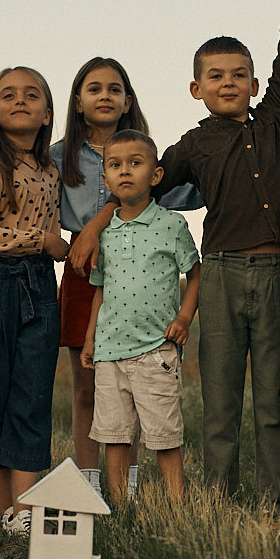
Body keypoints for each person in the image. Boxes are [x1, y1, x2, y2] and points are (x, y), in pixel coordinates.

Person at [71, 0, 280, 503]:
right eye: (215, 77)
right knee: (221, 400)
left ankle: (275, 504)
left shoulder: (278, 116)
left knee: (273, 403)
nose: (228, 83)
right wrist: (93, 228)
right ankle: (222, 504)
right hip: (223, 275)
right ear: (195, 88)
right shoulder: (191, 145)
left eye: (238, 76)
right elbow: (139, 189)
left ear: (255, 83)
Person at [51, 56, 202, 498]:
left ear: (128, 100)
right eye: (94, 89)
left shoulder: (142, 152)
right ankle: (87, 485)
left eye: (114, 89)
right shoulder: (59, 155)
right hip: (87, 271)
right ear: (78, 102)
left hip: (140, 269)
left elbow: (179, 191)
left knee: (135, 389)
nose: (104, 96)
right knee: (89, 387)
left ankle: (129, 490)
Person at [0, 67, 68, 535]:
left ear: (48, 113)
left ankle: (26, 510)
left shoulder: (51, 169)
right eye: (9, 95)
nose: (20, 101)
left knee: (32, 392)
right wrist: (42, 241)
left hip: (40, 286)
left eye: (32, 95)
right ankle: (7, 507)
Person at [80, 132, 200, 501]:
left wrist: (184, 318)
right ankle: (121, 508)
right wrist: (90, 339)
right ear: (106, 180)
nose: (125, 171)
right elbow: (100, 289)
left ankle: (176, 508)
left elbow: (195, 274)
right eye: (115, 165)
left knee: (164, 436)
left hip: (156, 350)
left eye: (136, 163)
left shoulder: (171, 224)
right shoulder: (105, 233)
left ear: (156, 174)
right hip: (111, 351)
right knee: (114, 434)